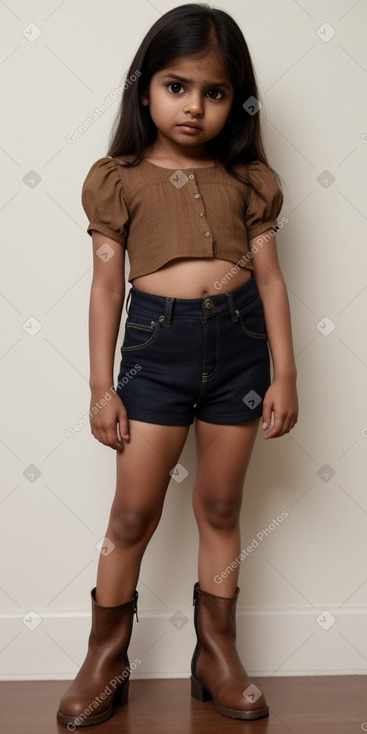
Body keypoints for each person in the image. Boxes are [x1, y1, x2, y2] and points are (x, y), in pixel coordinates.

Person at [57, 3, 298, 727]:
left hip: (239, 356)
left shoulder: (250, 180)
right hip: (154, 359)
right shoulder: (117, 177)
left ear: (236, 100)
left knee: (221, 508)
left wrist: (284, 374)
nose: (194, 105)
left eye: (214, 92)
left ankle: (215, 653)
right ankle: (105, 660)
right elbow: (106, 287)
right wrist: (102, 387)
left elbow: (272, 281)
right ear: (145, 89)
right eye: (176, 85)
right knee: (132, 513)